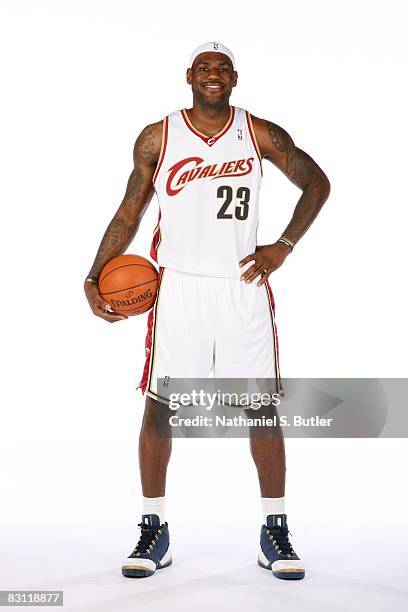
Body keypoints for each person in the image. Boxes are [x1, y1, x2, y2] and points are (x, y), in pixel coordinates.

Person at [84, 42, 330, 580]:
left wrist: (284, 245)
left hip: (243, 284)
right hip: (178, 288)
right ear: (189, 76)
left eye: (221, 69)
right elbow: (132, 207)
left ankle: (275, 531)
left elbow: (317, 182)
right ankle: (154, 530)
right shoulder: (159, 136)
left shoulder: (259, 132)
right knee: (161, 408)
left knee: (260, 408)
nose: (212, 75)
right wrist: (93, 272)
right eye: (204, 68)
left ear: (234, 78)